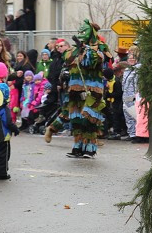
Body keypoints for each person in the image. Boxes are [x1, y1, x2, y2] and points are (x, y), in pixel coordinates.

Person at [45, 20, 107, 159]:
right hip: (75, 91)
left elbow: (92, 62)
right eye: (80, 32)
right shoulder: (74, 49)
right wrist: (78, 49)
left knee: (89, 120)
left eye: (84, 31)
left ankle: (90, 148)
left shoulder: (100, 48)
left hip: (92, 92)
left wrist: (87, 51)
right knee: (77, 120)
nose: (81, 34)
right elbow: (67, 59)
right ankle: (78, 147)